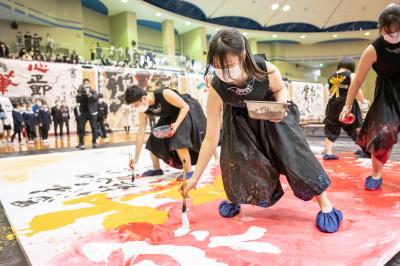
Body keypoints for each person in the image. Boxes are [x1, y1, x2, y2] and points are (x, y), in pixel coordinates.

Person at [180, 28, 343, 233]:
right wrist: (195, 177)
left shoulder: (264, 69)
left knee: (296, 157)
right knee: (235, 162)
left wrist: (280, 107)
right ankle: (234, 198)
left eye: (229, 65)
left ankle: (326, 204)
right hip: (238, 122)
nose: (224, 72)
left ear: (243, 56)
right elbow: (211, 138)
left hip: (270, 113)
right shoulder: (217, 88)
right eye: (217, 66)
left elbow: (280, 89)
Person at [340, 4, 400, 191]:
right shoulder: (373, 49)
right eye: (389, 32)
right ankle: (376, 174)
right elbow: (356, 81)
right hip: (387, 93)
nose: (393, 36)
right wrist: (347, 105)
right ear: (381, 28)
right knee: (382, 134)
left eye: (397, 31)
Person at [125, 85, 206, 179]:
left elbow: (185, 106)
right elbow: (141, 130)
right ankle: (156, 169)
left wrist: (176, 125)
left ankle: (188, 171)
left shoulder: (164, 94)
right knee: (154, 138)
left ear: (144, 98)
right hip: (170, 115)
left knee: (178, 137)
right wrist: (136, 157)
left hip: (186, 109)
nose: (136, 108)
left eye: (136, 105)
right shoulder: (143, 109)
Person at [323, 56, 369, 160]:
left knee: (331, 127)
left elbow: (328, 93)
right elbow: (356, 89)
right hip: (347, 103)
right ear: (351, 66)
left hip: (332, 104)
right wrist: (363, 101)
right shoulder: (351, 75)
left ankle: (328, 153)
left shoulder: (330, 77)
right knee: (357, 126)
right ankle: (364, 149)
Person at [76, 78, 99, 149]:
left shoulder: (93, 91)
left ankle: (94, 142)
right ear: (83, 84)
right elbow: (78, 100)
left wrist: (89, 94)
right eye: (85, 83)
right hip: (84, 112)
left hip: (92, 112)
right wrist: (79, 93)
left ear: (89, 84)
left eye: (87, 83)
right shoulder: (81, 91)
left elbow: (95, 98)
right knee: (81, 127)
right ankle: (81, 143)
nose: (86, 84)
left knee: (94, 128)